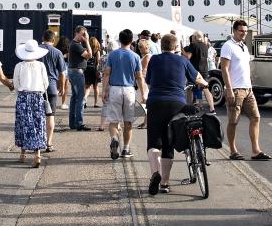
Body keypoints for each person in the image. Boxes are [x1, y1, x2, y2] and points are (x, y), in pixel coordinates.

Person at [143, 33, 211, 195]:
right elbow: (198, 78)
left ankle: (155, 173)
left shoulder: (154, 60)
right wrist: (204, 84)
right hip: (176, 104)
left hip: (155, 102)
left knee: (153, 143)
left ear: (161, 46)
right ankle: (165, 183)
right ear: (175, 48)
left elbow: (148, 81)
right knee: (168, 144)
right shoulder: (183, 61)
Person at [220, 20, 269, 160]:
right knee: (233, 121)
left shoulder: (243, 46)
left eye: (245, 31)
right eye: (241, 31)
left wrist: (249, 79)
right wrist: (229, 89)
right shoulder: (228, 46)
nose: (244, 33)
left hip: (248, 88)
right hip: (235, 89)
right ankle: (233, 151)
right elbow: (224, 69)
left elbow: (244, 66)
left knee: (256, 117)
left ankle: (255, 150)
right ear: (234, 31)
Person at [102, 29, 145, 160]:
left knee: (114, 121)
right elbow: (139, 77)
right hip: (129, 90)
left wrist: (104, 90)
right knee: (128, 122)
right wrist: (143, 94)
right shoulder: (135, 56)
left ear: (119, 40)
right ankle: (125, 149)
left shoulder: (112, 55)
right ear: (131, 41)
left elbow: (107, 73)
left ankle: (114, 138)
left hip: (115, 89)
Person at [13, 39, 51, 167]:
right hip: (37, 96)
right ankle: (38, 154)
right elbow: (46, 83)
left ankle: (23, 154)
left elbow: (16, 84)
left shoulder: (19, 66)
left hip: (23, 96)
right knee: (38, 124)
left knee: (23, 124)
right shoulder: (41, 65)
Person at [38, 29, 67, 149]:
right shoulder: (57, 52)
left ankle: (38, 142)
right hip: (51, 86)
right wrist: (62, 86)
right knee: (50, 115)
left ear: (42, 38)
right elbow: (62, 72)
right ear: (53, 40)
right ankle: (49, 143)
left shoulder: (36, 50)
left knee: (38, 115)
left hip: (37, 86)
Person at [66, 26, 91, 130]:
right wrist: (88, 41)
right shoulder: (76, 45)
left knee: (74, 98)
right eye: (83, 34)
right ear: (76, 33)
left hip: (73, 71)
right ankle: (79, 124)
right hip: (77, 72)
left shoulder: (75, 44)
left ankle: (73, 123)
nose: (84, 36)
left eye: (85, 34)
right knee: (80, 98)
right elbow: (89, 55)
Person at [85, 34, 102, 110]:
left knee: (87, 87)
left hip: (87, 69)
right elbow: (98, 61)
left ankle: (84, 99)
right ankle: (95, 103)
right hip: (94, 69)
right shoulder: (97, 51)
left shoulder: (87, 49)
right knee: (95, 87)